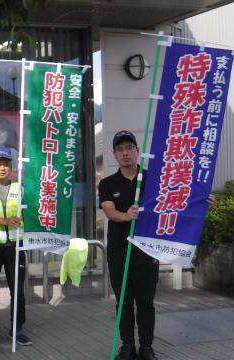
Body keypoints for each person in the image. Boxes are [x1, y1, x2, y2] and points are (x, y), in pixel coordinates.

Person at [99, 130, 156, 360]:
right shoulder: (107, 183)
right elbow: (110, 212)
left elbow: (178, 202)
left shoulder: (152, 179)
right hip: (119, 254)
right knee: (123, 302)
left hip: (146, 252)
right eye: (120, 149)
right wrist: (126, 215)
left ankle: (146, 347)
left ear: (137, 151)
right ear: (115, 154)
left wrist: (202, 201)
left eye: (129, 148)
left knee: (145, 302)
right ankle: (127, 345)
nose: (125, 153)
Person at [0, 147, 31, 346]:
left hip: (15, 247)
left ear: (11, 167)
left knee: (17, 290)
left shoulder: (21, 188)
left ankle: (17, 329)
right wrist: (3, 221)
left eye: (6, 164)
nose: (2, 168)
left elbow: (30, 215)